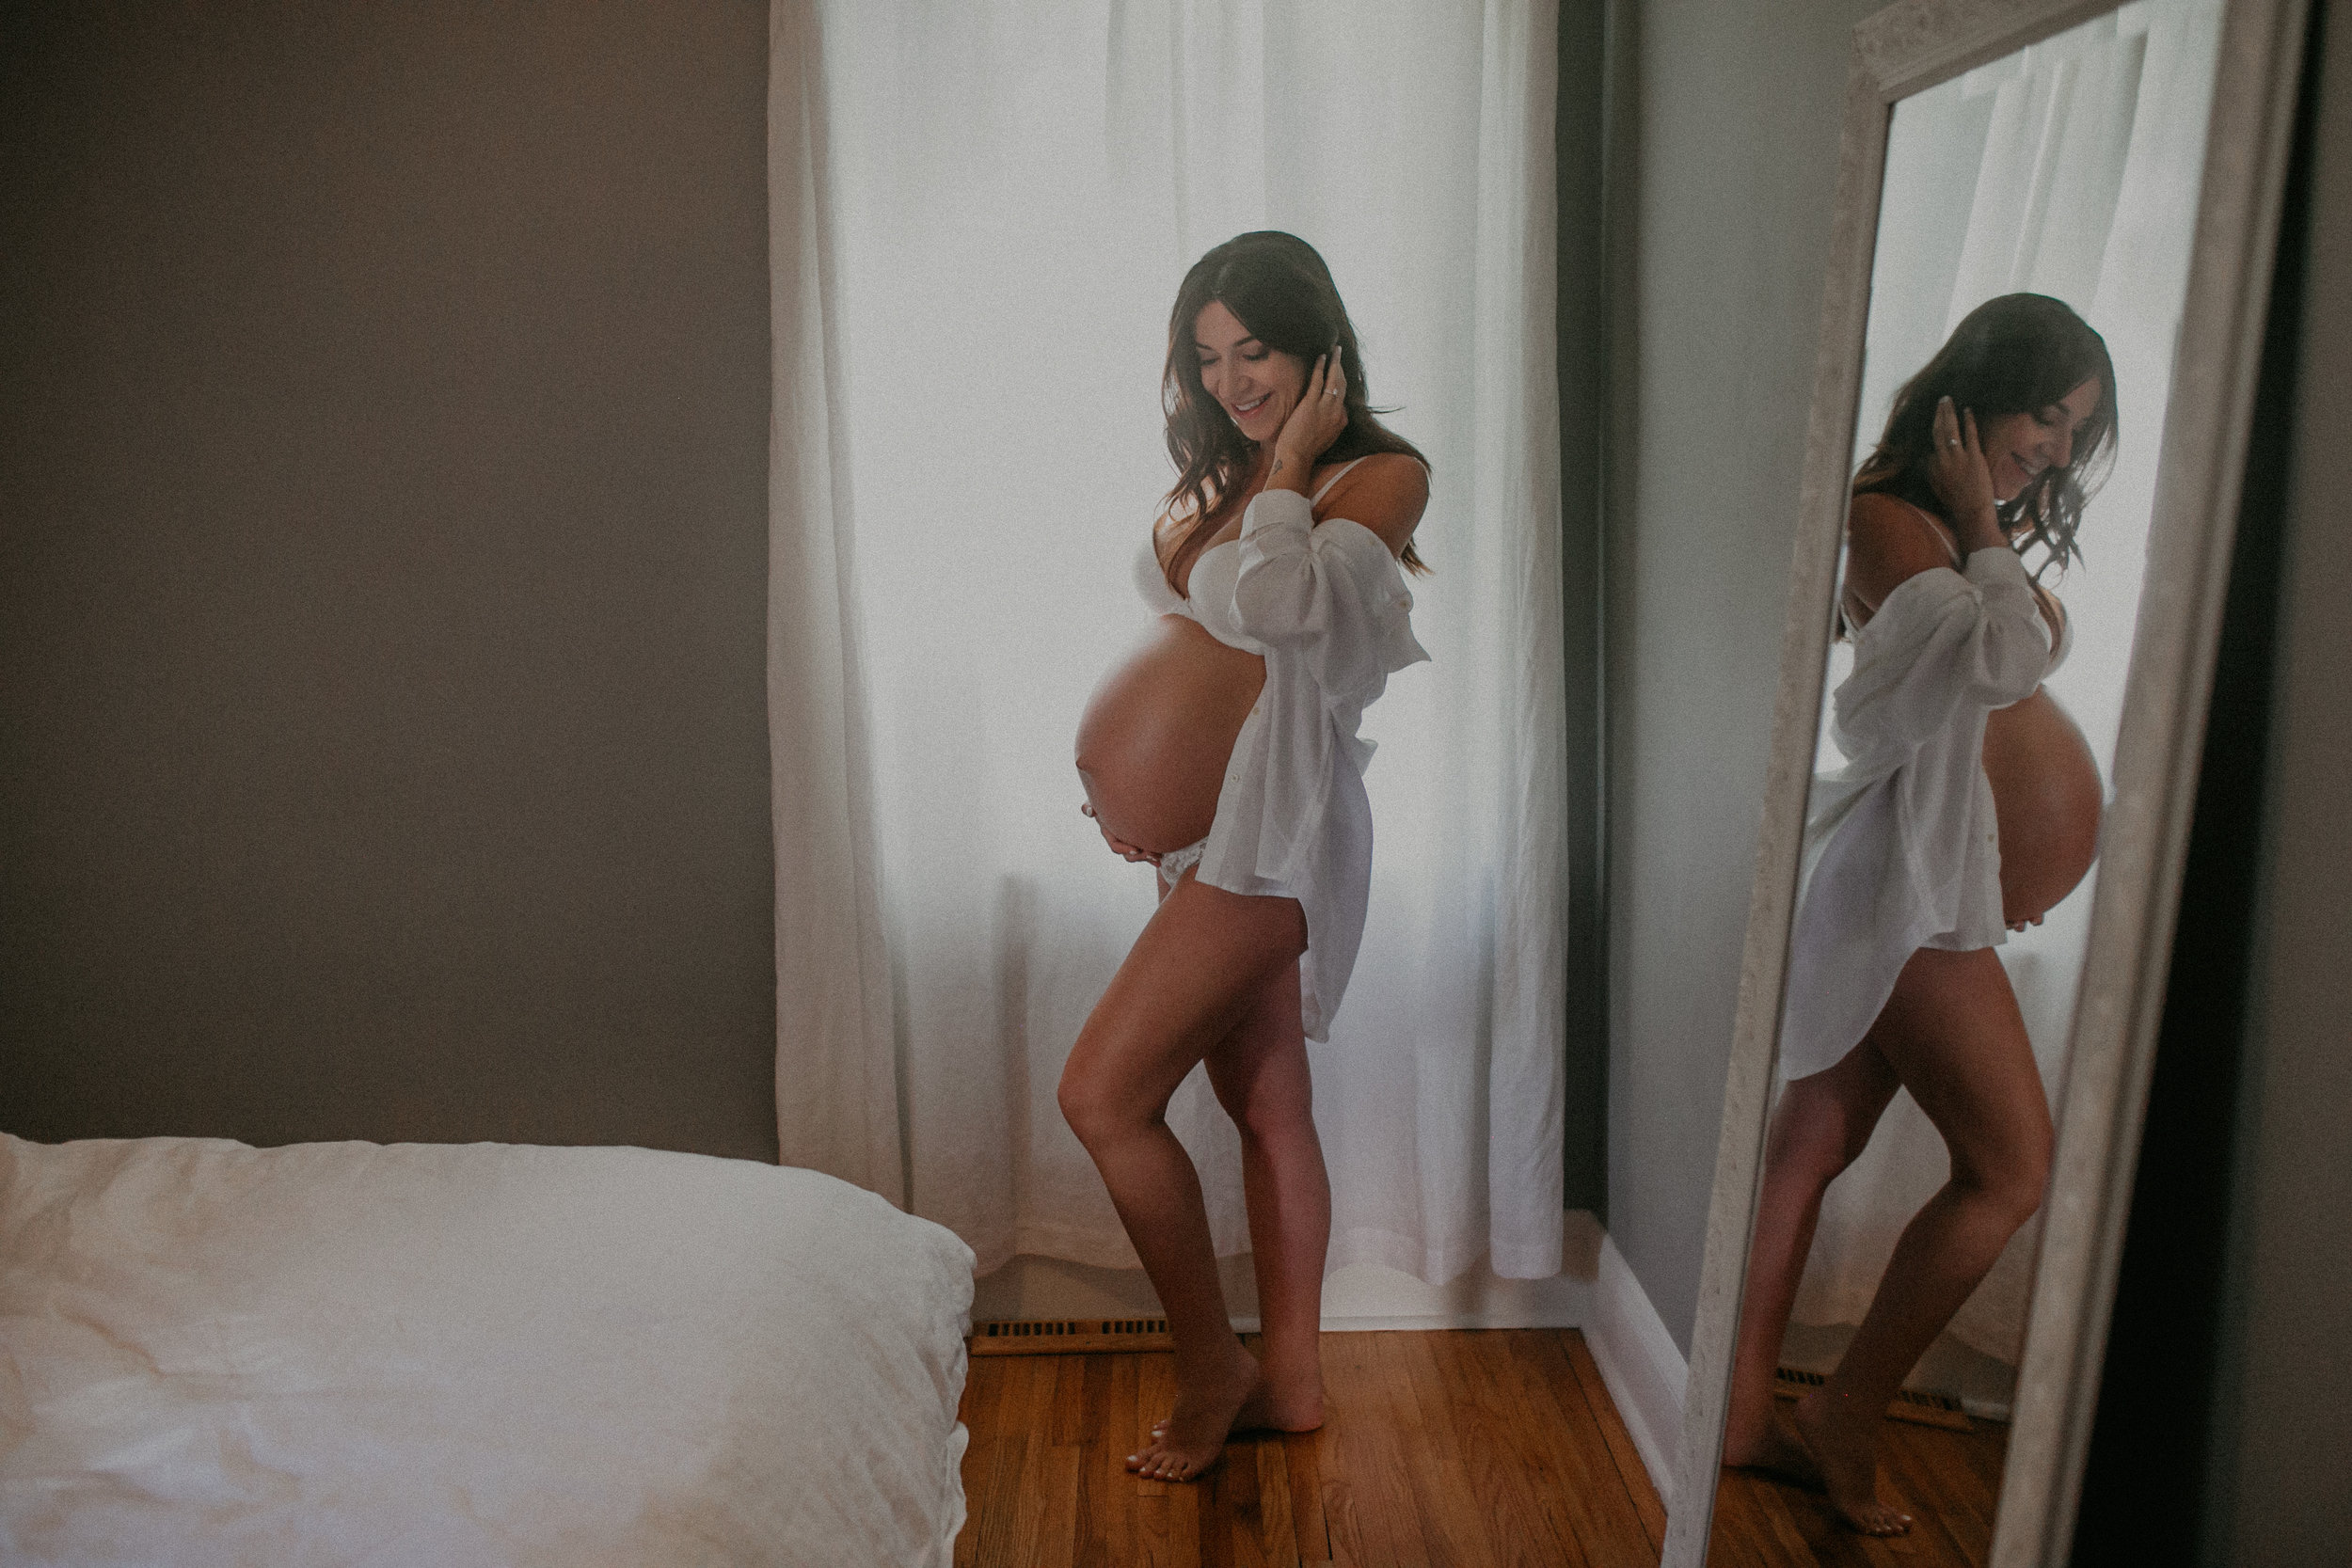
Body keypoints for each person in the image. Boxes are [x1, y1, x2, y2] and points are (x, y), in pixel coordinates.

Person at [1723, 293, 2118, 1533]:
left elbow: (1975, 713)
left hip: (1934, 884)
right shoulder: (1894, 518)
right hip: (1907, 898)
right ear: (1977, 393)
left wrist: (2010, 859)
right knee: (2011, 1169)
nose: (2052, 449)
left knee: (1807, 1147)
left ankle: (1736, 1418)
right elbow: (1992, 664)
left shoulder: (1940, 527)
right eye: (2043, 415)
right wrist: (1990, 523)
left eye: (2075, 434)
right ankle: (1845, 1411)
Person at [1063, 231, 1431, 1482]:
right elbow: (1200, 658)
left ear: (1316, 345)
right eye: (1209, 357)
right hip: (1211, 844)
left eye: (1255, 350)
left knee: (1101, 1098)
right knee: (1269, 1105)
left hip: (1275, 843)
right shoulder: (1224, 473)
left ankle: (1214, 1366)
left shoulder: (1377, 476)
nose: (1230, 378)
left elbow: (1284, 612)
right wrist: (1140, 797)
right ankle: (1296, 1388)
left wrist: (1284, 470)